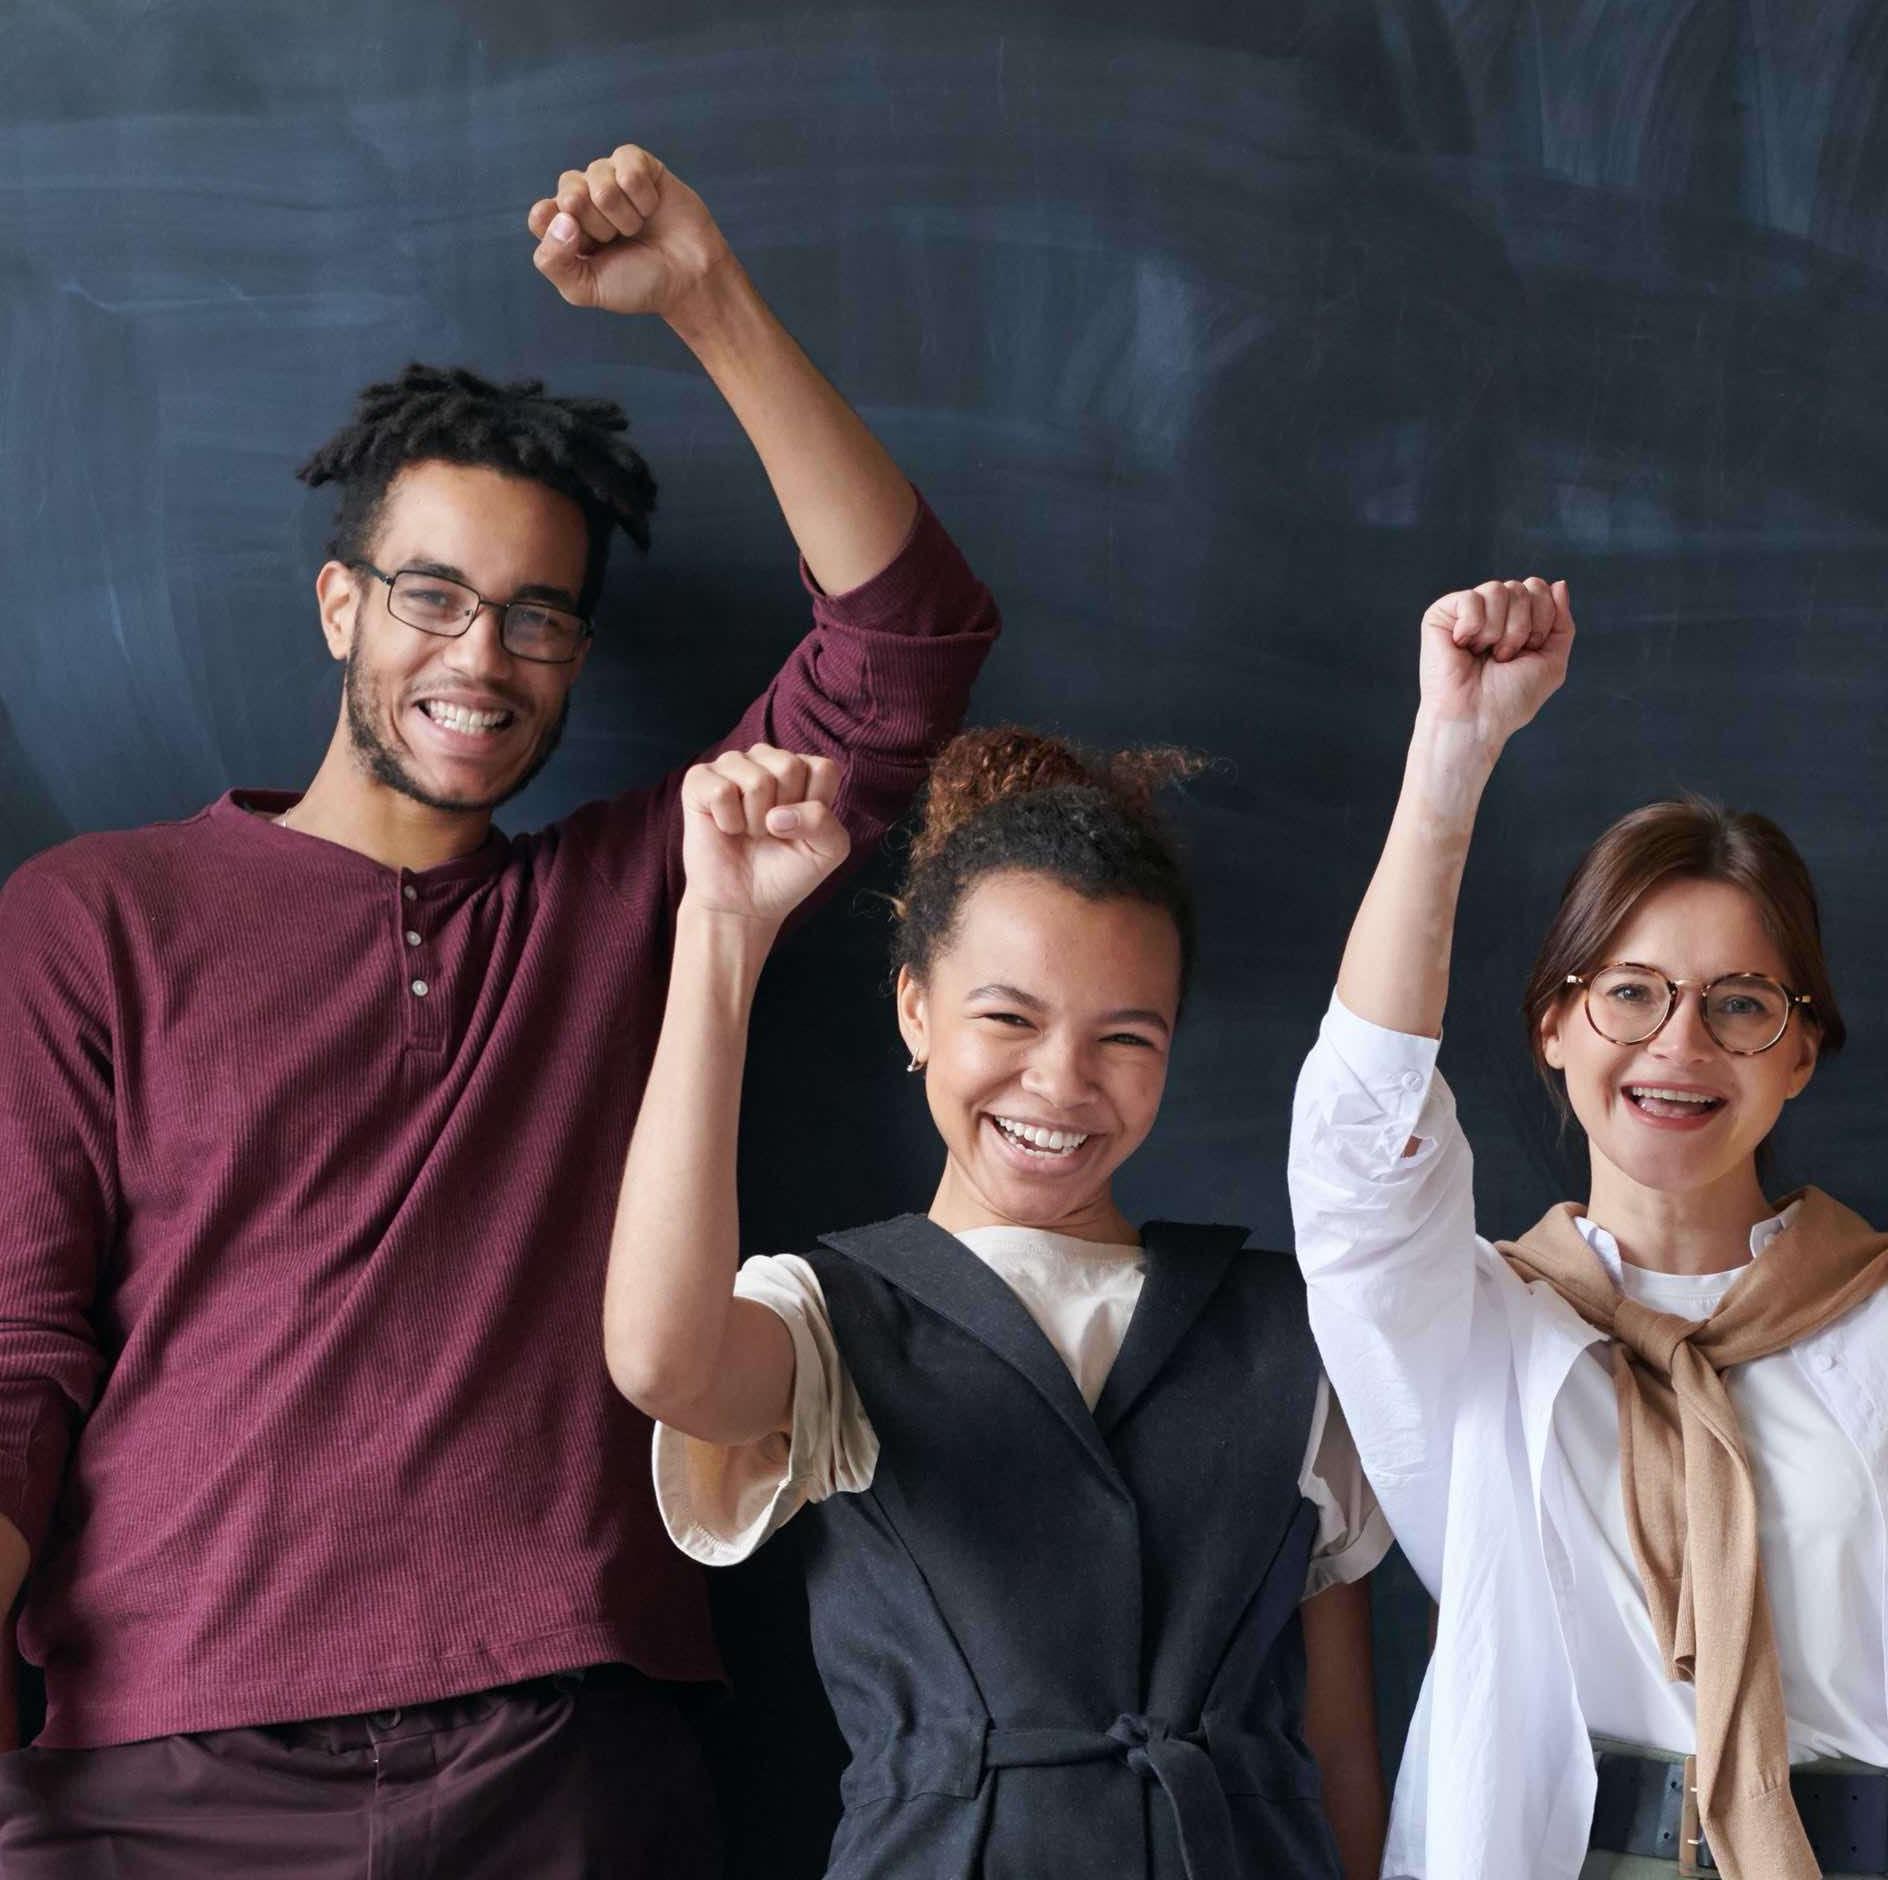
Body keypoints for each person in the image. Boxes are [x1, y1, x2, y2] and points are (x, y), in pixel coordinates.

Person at [0, 143, 998, 1875]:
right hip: (159, 1763)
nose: (479, 659)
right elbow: (15, 1355)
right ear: (338, 607)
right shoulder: (97, 917)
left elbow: (908, 641)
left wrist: (705, 295)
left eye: (538, 621)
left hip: (557, 1754)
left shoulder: (641, 895)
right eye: (433, 598)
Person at [605, 725, 1392, 1879]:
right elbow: (661, 1359)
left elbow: (1337, 1743)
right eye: (1009, 1018)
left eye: (1124, 1035)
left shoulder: (1291, 1327)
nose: (1060, 1082)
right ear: (915, 1008)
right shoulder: (831, 1317)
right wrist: (721, 931)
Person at [1289, 577, 1888, 1880]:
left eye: (1740, 1005)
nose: (1679, 1044)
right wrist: (1452, 753)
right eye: (1631, 993)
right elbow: (1355, 1134)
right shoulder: (1470, 1334)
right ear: (1555, 1028)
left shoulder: (1880, 1327)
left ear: (1801, 1054)